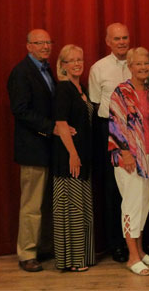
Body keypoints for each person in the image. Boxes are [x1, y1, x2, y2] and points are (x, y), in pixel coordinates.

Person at [7, 29, 57, 272]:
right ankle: (27, 253)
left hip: (49, 148)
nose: (45, 46)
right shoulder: (21, 72)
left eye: (48, 42)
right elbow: (20, 110)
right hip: (32, 149)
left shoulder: (47, 70)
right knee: (31, 204)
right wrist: (51, 128)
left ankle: (43, 247)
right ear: (28, 46)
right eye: (39, 43)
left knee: (47, 203)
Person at [109, 47, 149, 276]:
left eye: (146, 63)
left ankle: (139, 252)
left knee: (144, 205)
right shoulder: (121, 91)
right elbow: (115, 124)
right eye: (138, 64)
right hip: (129, 157)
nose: (143, 67)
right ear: (129, 66)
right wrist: (124, 152)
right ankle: (131, 257)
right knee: (130, 206)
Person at [88, 23, 130, 262]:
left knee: (135, 189)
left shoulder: (140, 62)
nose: (122, 42)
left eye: (125, 37)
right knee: (114, 190)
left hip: (136, 132)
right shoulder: (98, 68)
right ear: (108, 41)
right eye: (117, 38)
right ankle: (116, 244)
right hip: (110, 129)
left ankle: (137, 242)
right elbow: (95, 104)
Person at [52, 44, 96, 271]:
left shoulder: (82, 88)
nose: (78, 63)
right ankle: (72, 259)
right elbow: (61, 123)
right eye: (72, 60)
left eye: (80, 59)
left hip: (84, 157)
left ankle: (83, 256)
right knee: (72, 209)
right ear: (63, 65)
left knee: (83, 207)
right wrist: (73, 155)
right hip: (70, 157)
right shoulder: (64, 88)